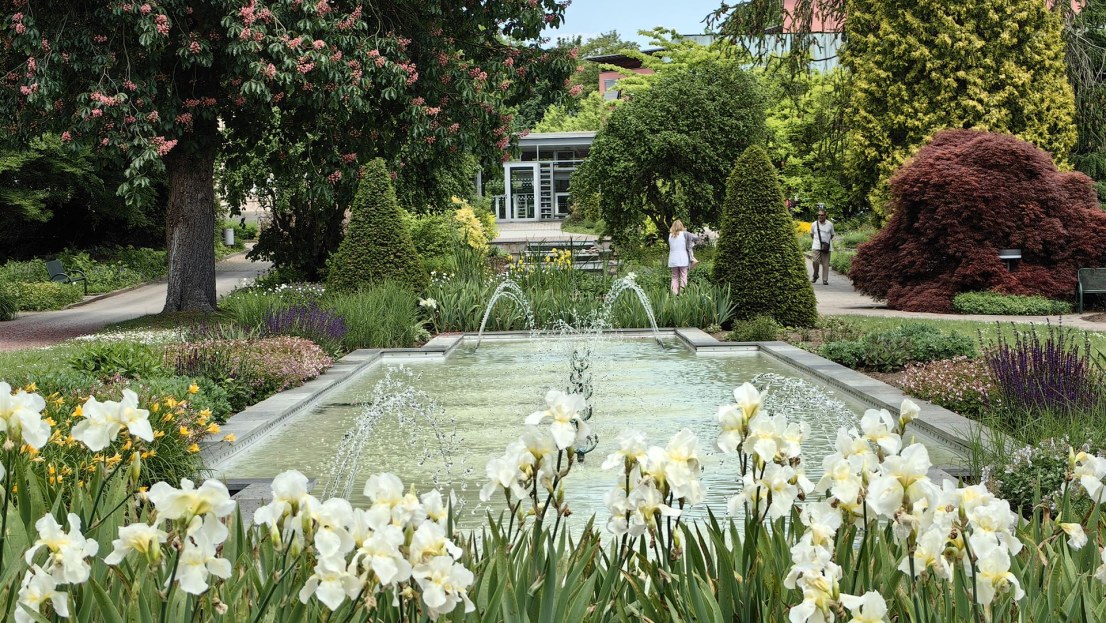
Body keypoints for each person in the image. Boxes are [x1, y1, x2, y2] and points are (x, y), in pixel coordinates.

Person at [667, 219, 699, 295]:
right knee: (683, 276)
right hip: (683, 259)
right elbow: (696, 238)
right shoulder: (685, 234)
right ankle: (682, 294)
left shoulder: (670, 235)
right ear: (681, 226)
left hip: (673, 260)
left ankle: (674, 294)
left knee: (674, 277)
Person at [810, 206, 835, 285]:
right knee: (815, 261)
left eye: (822, 215)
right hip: (816, 245)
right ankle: (815, 275)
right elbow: (812, 234)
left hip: (826, 246)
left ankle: (825, 280)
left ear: (825, 216)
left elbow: (832, 235)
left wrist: (826, 242)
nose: (820, 216)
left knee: (825, 264)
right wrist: (818, 241)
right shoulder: (814, 224)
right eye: (819, 215)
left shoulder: (830, 224)